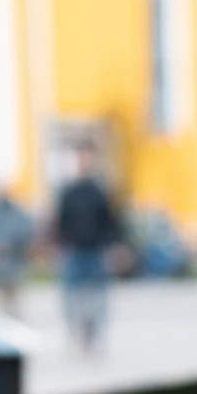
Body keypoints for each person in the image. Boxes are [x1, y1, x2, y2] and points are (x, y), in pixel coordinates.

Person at [54, 145, 123, 353]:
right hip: (74, 249)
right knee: (72, 296)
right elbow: (61, 221)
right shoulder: (69, 192)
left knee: (98, 297)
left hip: (95, 250)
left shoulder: (100, 191)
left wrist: (114, 246)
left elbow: (111, 222)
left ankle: (95, 336)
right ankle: (75, 333)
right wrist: (59, 244)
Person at [0, 190, 35, 316]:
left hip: (12, 259)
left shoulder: (17, 213)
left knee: (12, 291)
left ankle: (12, 314)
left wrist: (14, 244)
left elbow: (27, 231)